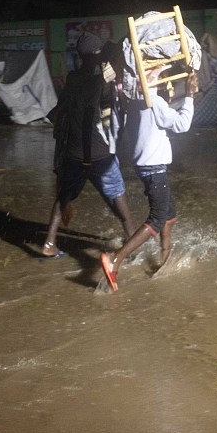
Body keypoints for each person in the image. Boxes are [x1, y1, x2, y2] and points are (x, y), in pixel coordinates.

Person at [101, 64, 197, 292]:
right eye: (164, 79)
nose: (167, 83)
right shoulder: (155, 102)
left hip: (145, 168)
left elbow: (161, 118)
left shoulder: (136, 101)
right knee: (157, 218)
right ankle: (116, 257)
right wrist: (190, 96)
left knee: (169, 213)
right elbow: (182, 125)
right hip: (154, 170)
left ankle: (164, 259)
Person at [40, 32, 136, 258]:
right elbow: (114, 61)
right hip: (98, 154)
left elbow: (58, 112)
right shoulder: (97, 81)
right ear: (95, 54)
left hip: (72, 154)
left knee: (64, 197)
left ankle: (49, 243)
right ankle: (132, 241)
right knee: (118, 197)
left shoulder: (73, 78)